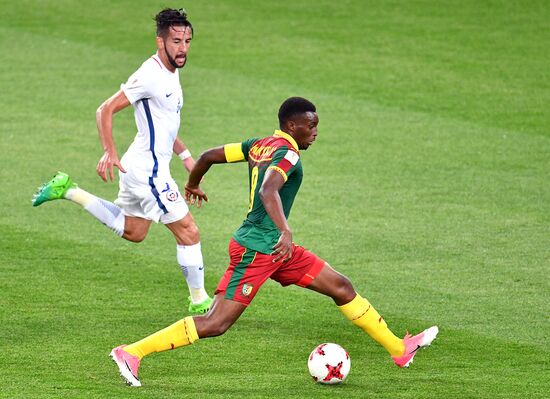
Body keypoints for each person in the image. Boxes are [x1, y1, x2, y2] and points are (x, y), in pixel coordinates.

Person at [109, 97, 438, 387]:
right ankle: (131, 353)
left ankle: (399, 349)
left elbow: (208, 155)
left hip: (277, 250)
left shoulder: (259, 143)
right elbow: (268, 190)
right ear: (292, 126)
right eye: (311, 126)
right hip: (258, 249)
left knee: (341, 286)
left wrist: (193, 183)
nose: (315, 132)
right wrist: (285, 229)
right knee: (216, 323)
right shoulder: (289, 154)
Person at [31, 8, 212, 314]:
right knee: (189, 232)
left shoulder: (172, 71)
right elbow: (105, 109)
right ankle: (199, 300)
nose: (183, 48)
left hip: (142, 165)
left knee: (134, 232)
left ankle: (68, 190)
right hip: (148, 172)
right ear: (160, 41)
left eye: (187, 41)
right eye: (177, 41)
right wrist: (108, 151)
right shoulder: (150, 75)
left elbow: (166, 122)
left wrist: (185, 156)